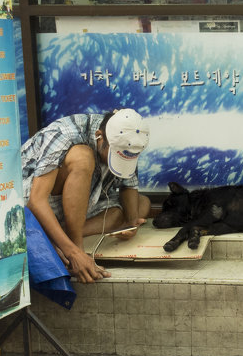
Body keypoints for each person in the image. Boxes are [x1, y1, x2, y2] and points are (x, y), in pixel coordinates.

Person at [21, 109, 151, 283]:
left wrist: (131, 222)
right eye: (114, 156)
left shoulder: (128, 139)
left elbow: (129, 186)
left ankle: (57, 235)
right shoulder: (63, 134)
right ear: (100, 137)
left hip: (78, 205)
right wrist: (74, 254)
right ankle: (73, 244)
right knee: (83, 156)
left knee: (141, 204)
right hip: (30, 203)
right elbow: (36, 201)